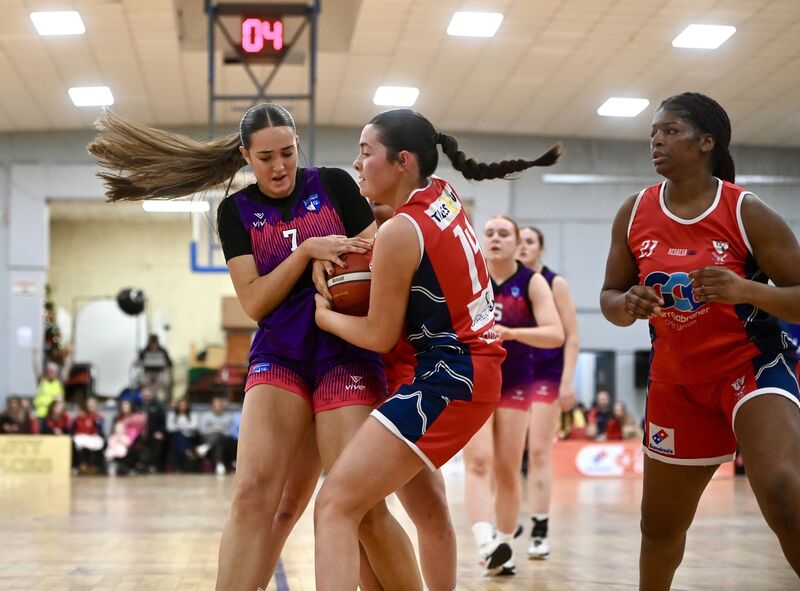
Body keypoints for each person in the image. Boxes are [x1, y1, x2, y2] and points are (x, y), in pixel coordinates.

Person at [89, 104, 420, 591]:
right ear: (246, 156)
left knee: (362, 508)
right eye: (266, 158)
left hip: (346, 353)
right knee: (253, 497)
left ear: (298, 146)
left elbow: (371, 263)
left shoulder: (333, 185)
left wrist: (342, 256)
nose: (279, 166)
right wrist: (305, 253)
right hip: (280, 355)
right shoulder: (235, 212)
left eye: (287, 153)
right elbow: (255, 302)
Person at [312, 108, 562, 589]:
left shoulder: (401, 231)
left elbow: (378, 336)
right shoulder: (443, 194)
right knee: (429, 512)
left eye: (365, 153)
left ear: (403, 160)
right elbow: (407, 231)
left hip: (448, 377)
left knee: (334, 504)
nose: (357, 164)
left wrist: (324, 315)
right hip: (470, 369)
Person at [600, 92, 800, 589]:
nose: (656, 141)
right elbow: (609, 296)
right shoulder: (634, 211)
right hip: (676, 382)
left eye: (670, 131)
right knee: (659, 529)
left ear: (707, 142)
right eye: (653, 132)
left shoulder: (746, 211)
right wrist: (627, 305)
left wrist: (747, 290)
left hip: (750, 368)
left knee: (783, 492)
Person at [461, 215, 564, 575]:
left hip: (516, 380)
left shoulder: (532, 282)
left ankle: (505, 545)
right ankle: (486, 544)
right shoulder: (469, 277)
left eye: (504, 233)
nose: (495, 238)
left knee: (507, 470)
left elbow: (556, 334)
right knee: (478, 462)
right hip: (473, 378)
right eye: (489, 233)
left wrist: (513, 333)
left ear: (517, 242)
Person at [516, 224, 580, 558]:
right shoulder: (505, 282)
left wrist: (567, 381)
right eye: (520, 241)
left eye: (530, 241)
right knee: (506, 455)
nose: (523, 246)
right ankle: (506, 519)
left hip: (546, 375)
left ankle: (539, 529)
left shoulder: (555, 283)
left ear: (540, 248)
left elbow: (572, 336)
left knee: (539, 452)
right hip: (512, 376)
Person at [32, 345, 72, 427]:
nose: (50, 373)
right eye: (49, 370)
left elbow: (67, 368)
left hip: (55, 416)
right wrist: (35, 354)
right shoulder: (42, 381)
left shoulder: (59, 382)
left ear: (56, 372)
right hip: (41, 414)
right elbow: (36, 367)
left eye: (53, 371)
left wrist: (70, 354)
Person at [199, 397, 234, 475]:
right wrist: (213, 430)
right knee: (218, 440)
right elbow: (202, 430)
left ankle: (206, 447)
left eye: (220, 406)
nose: (218, 407)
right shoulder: (206, 416)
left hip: (224, 438)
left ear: (222, 406)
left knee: (219, 437)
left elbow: (230, 431)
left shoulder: (228, 417)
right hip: (207, 437)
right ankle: (219, 463)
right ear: (212, 406)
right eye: (216, 406)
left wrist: (221, 431)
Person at [71, 397, 106, 474]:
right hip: (81, 439)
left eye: (92, 404)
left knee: (98, 443)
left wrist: (96, 432)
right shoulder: (80, 417)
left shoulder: (98, 417)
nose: (91, 406)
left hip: (93, 439)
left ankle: (94, 466)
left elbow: (99, 430)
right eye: (89, 404)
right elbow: (74, 430)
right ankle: (81, 465)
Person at [138, 334, 173, 400]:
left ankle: (158, 398)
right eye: (152, 344)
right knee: (143, 380)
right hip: (148, 373)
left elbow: (170, 364)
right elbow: (139, 362)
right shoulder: (144, 351)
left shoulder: (163, 351)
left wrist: (164, 362)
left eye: (155, 344)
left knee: (165, 379)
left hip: (160, 373)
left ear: (158, 343)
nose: (153, 346)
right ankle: (147, 397)